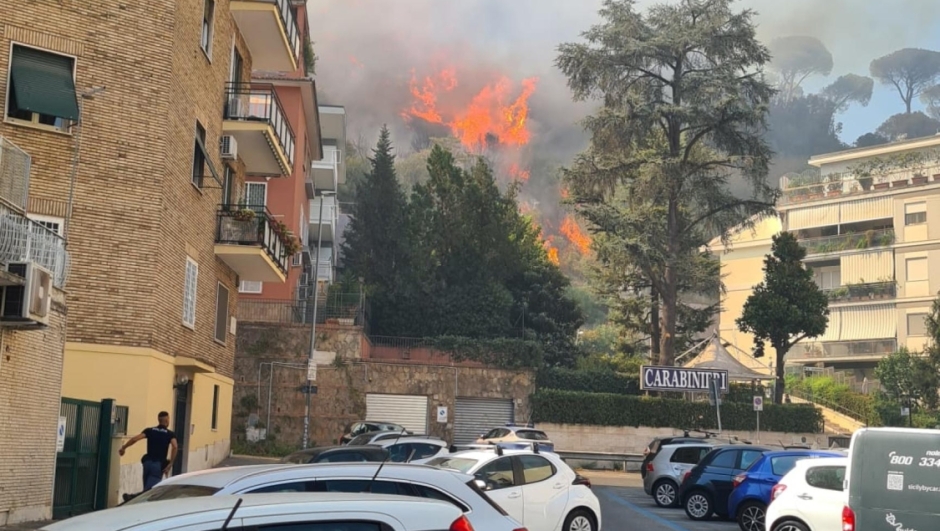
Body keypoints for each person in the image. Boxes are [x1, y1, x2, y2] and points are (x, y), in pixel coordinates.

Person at [119, 411, 178, 496]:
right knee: (150, 492)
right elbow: (175, 446)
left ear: (159, 420)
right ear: (167, 420)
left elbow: (135, 439)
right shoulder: (170, 434)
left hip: (147, 463)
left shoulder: (149, 430)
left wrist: (123, 448)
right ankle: (133, 497)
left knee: (147, 488)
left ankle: (134, 498)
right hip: (158, 465)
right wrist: (171, 463)